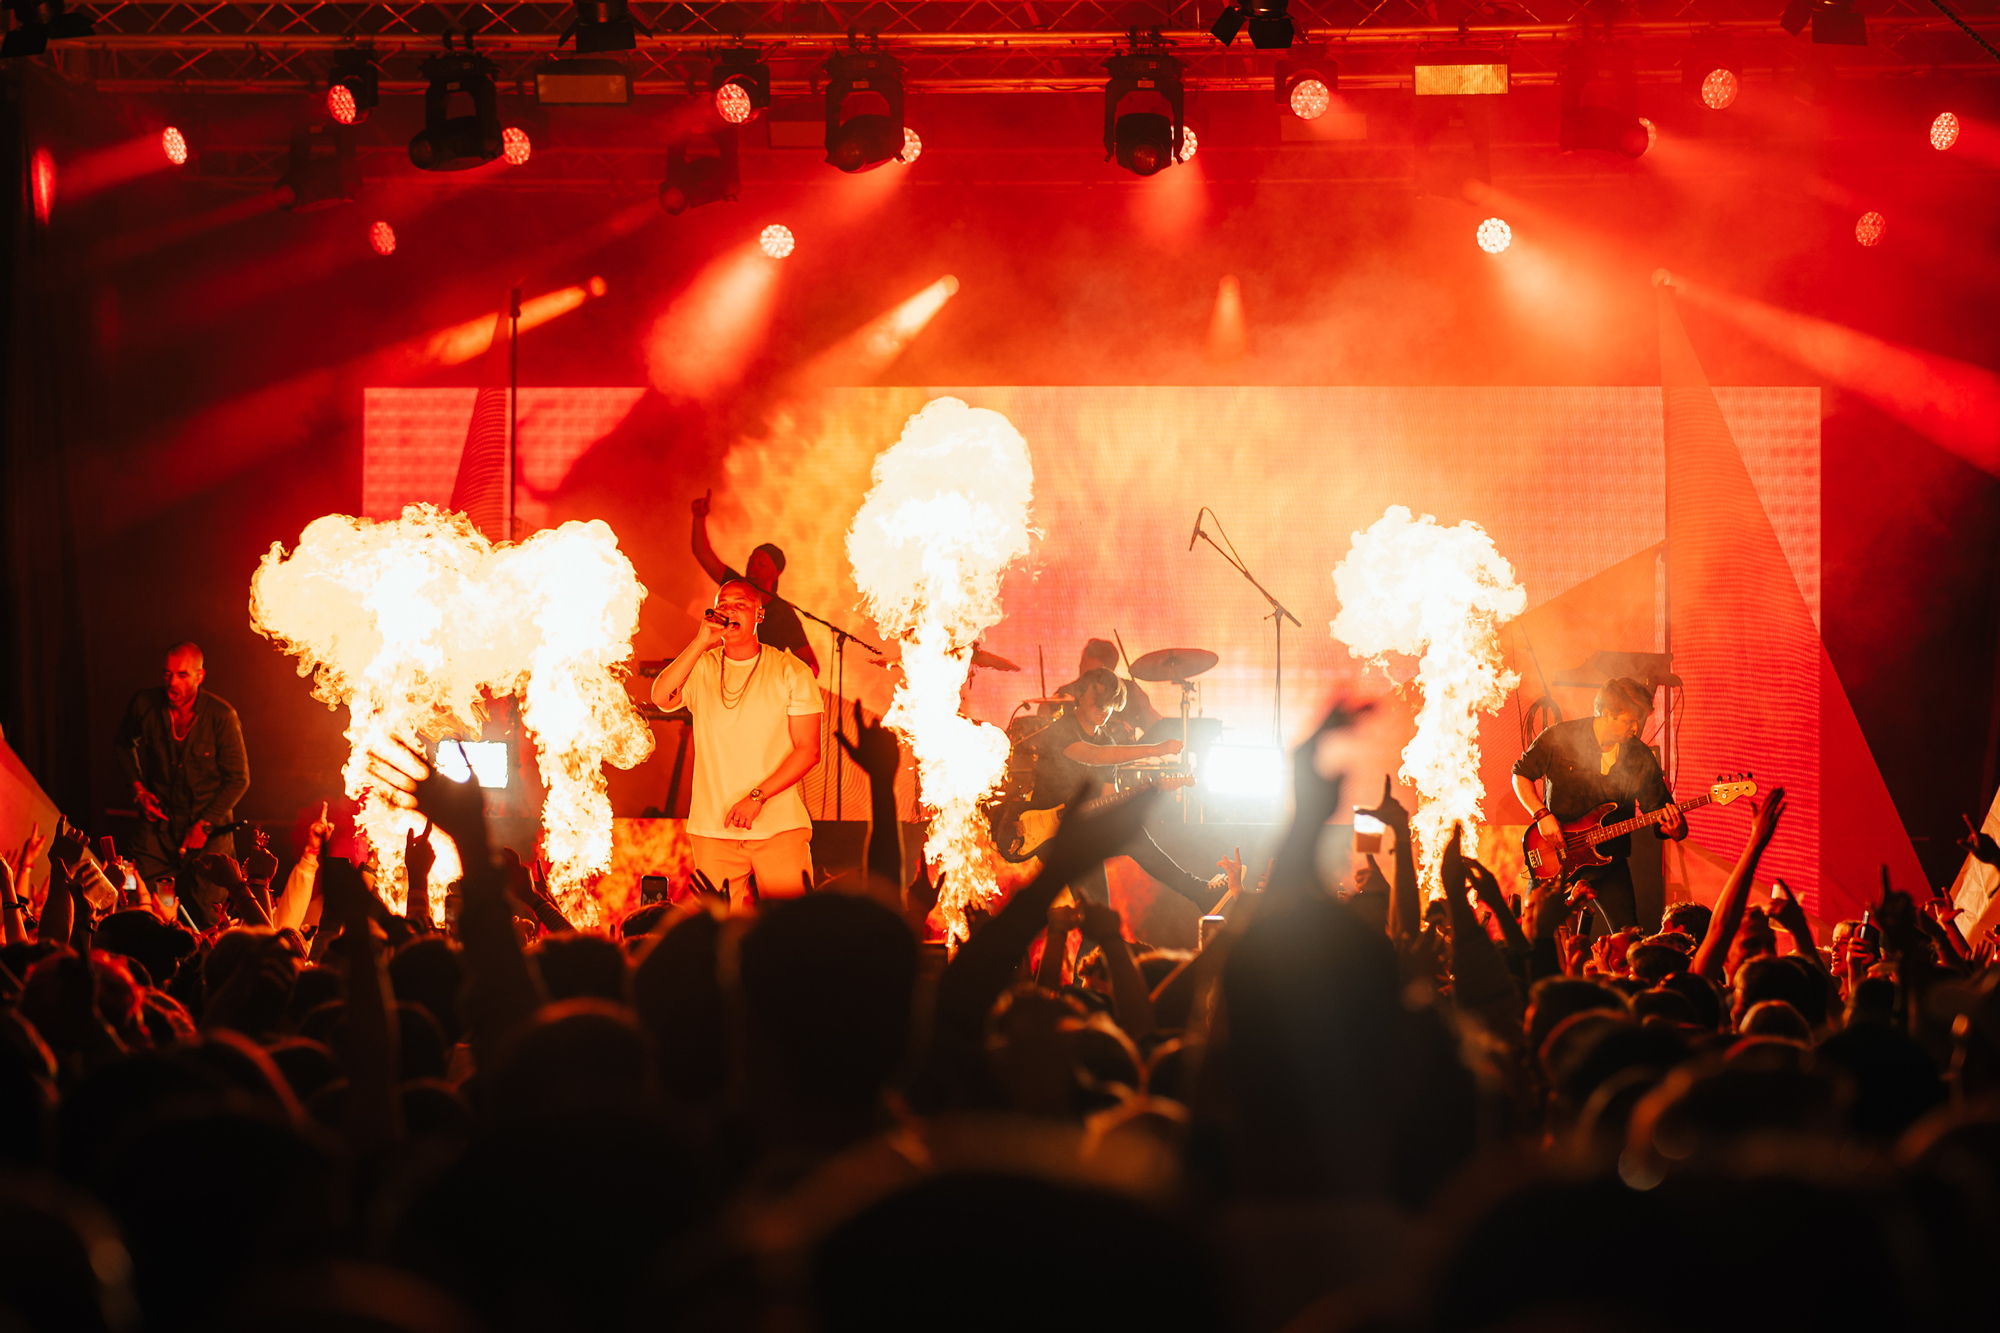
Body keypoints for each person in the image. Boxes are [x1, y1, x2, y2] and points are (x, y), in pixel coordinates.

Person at [651, 579, 822, 907]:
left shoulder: (791, 671)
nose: (730, 609)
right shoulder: (702, 667)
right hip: (713, 829)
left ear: (759, 615)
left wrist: (757, 798)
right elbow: (661, 697)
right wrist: (702, 641)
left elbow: (808, 750)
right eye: (724, 603)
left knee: (793, 932)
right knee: (715, 937)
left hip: (779, 827)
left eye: (740, 604)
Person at [1028, 667, 1222, 911]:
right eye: (1096, 701)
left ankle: (1199, 892)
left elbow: (1110, 799)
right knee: (1090, 901)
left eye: (1109, 703)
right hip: (1045, 830)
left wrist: (1154, 788)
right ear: (1079, 695)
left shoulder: (1107, 740)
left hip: (1080, 829)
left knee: (1131, 839)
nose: (1103, 709)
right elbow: (1095, 756)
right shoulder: (1061, 730)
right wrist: (1155, 749)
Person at [1511, 675, 1685, 932]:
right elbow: (1520, 774)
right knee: (1536, 934)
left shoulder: (1639, 755)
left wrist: (1675, 830)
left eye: (1639, 721)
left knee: (1629, 936)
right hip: (1554, 853)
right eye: (1629, 721)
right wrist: (1541, 814)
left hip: (1608, 862)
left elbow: (1658, 809)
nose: (1636, 728)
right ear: (1606, 713)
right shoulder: (1561, 737)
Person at [115, 642, 250, 907]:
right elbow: (123, 743)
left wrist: (205, 824)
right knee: (145, 902)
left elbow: (239, 779)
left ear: (200, 676)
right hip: (158, 829)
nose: (172, 682)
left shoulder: (222, 716)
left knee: (210, 910)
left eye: (182, 675)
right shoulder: (145, 704)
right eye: (167, 674)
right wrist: (139, 790)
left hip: (208, 834)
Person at [690, 492, 820, 675]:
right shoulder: (734, 587)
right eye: (751, 561)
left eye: (761, 564)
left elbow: (812, 667)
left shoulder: (784, 614)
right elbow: (702, 553)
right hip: (726, 677)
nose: (753, 567)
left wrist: (781, 680)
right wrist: (698, 517)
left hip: (764, 692)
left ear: (776, 572)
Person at [1053, 639, 1161, 744]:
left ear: (1110, 672)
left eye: (1093, 675)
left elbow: (1156, 728)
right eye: (1082, 669)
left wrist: (1143, 750)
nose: (1085, 681)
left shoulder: (1130, 691)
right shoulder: (1064, 694)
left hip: (1125, 757)